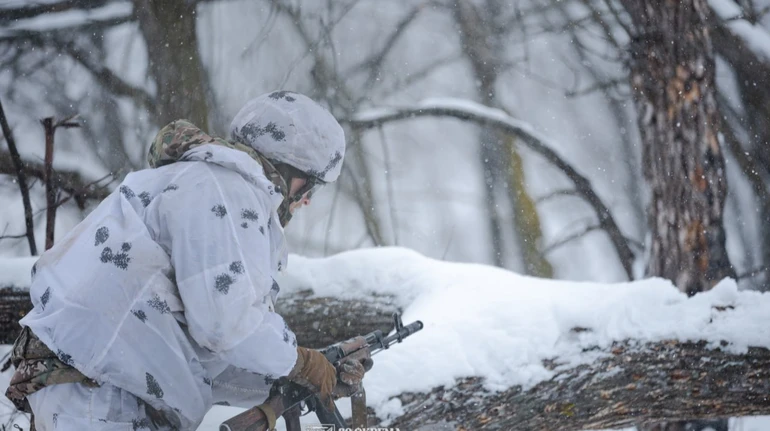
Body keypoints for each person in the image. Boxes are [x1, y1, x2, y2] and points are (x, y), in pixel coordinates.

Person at [5, 91, 369, 430]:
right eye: (312, 186)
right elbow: (226, 327)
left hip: (91, 391)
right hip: (98, 397)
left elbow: (204, 354)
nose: (307, 201)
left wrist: (287, 375)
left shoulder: (197, 182)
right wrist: (298, 362)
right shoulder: (226, 191)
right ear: (293, 171)